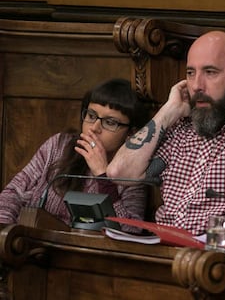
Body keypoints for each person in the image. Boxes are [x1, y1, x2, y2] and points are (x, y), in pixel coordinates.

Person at [107, 30, 225, 242]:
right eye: (190, 73)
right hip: (164, 252)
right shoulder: (179, 131)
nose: (197, 85)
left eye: (210, 72)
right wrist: (168, 111)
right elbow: (119, 172)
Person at [0, 78, 151, 233]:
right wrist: (6, 235)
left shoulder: (133, 173)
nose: (94, 128)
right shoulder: (59, 145)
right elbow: (13, 193)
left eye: (110, 122)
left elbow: (131, 230)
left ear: (131, 133)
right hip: (31, 245)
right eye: (91, 116)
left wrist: (103, 175)